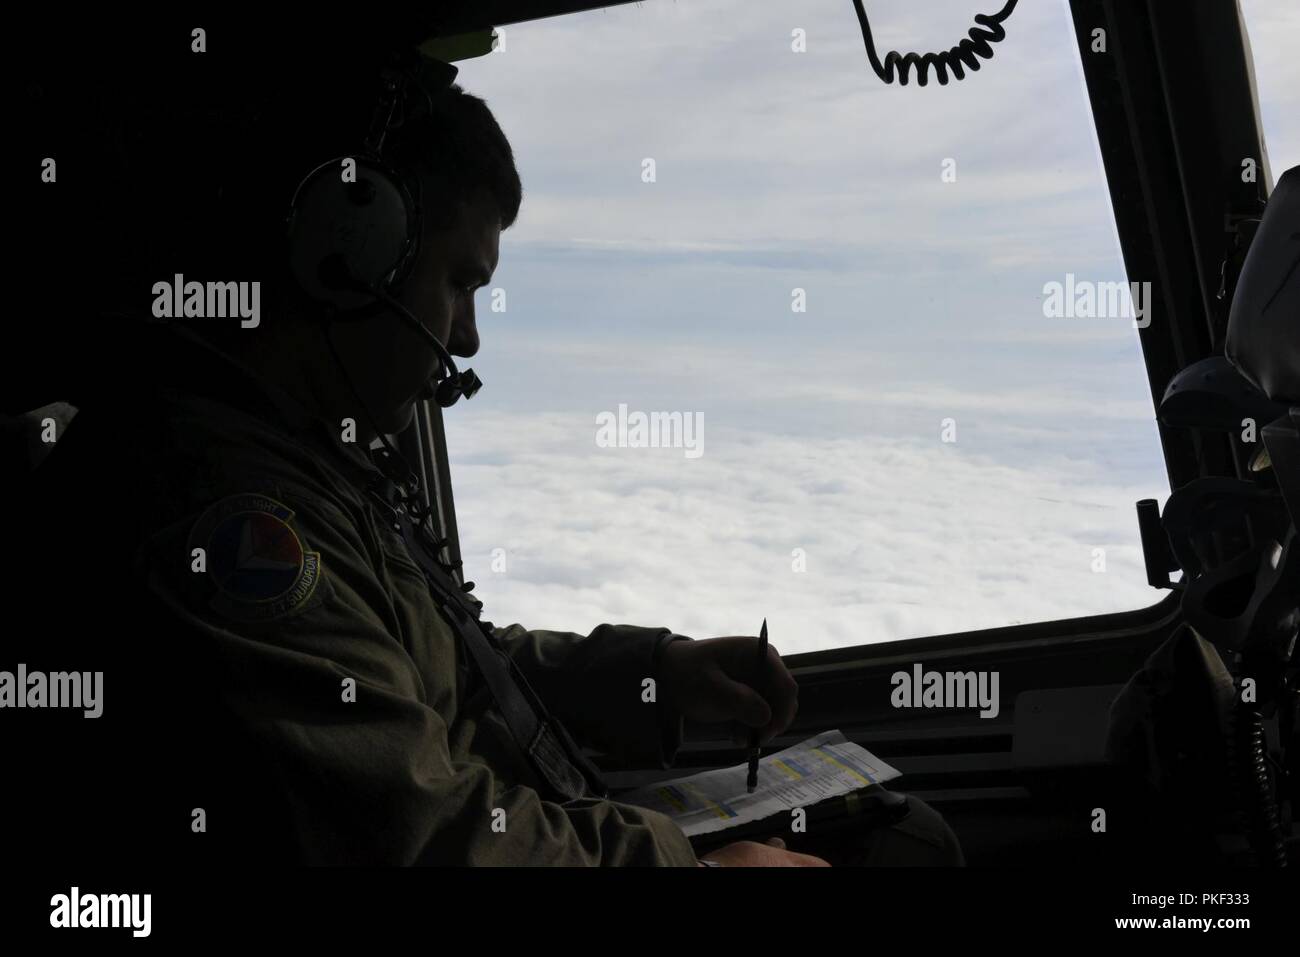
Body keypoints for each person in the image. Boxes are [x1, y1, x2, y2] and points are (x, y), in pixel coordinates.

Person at [15, 29, 963, 867]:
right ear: (349, 255)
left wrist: (654, 673)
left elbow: (448, 666)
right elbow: (417, 838)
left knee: (900, 829)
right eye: (461, 282)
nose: (465, 339)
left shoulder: (313, 462)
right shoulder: (228, 521)